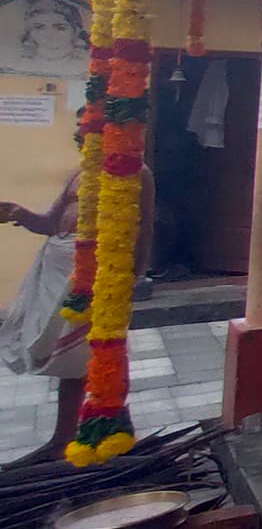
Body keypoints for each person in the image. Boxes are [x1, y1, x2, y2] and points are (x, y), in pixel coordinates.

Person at [0, 161, 154, 466]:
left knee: (98, 354)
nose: (85, 133)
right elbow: (49, 222)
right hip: (59, 273)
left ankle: (100, 433)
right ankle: (68, 437)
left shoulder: (137, 171)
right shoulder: (79, 170)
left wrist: (132, 275)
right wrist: (19, 213)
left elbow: (144, 224)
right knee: (74, 360)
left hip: (98, 273)